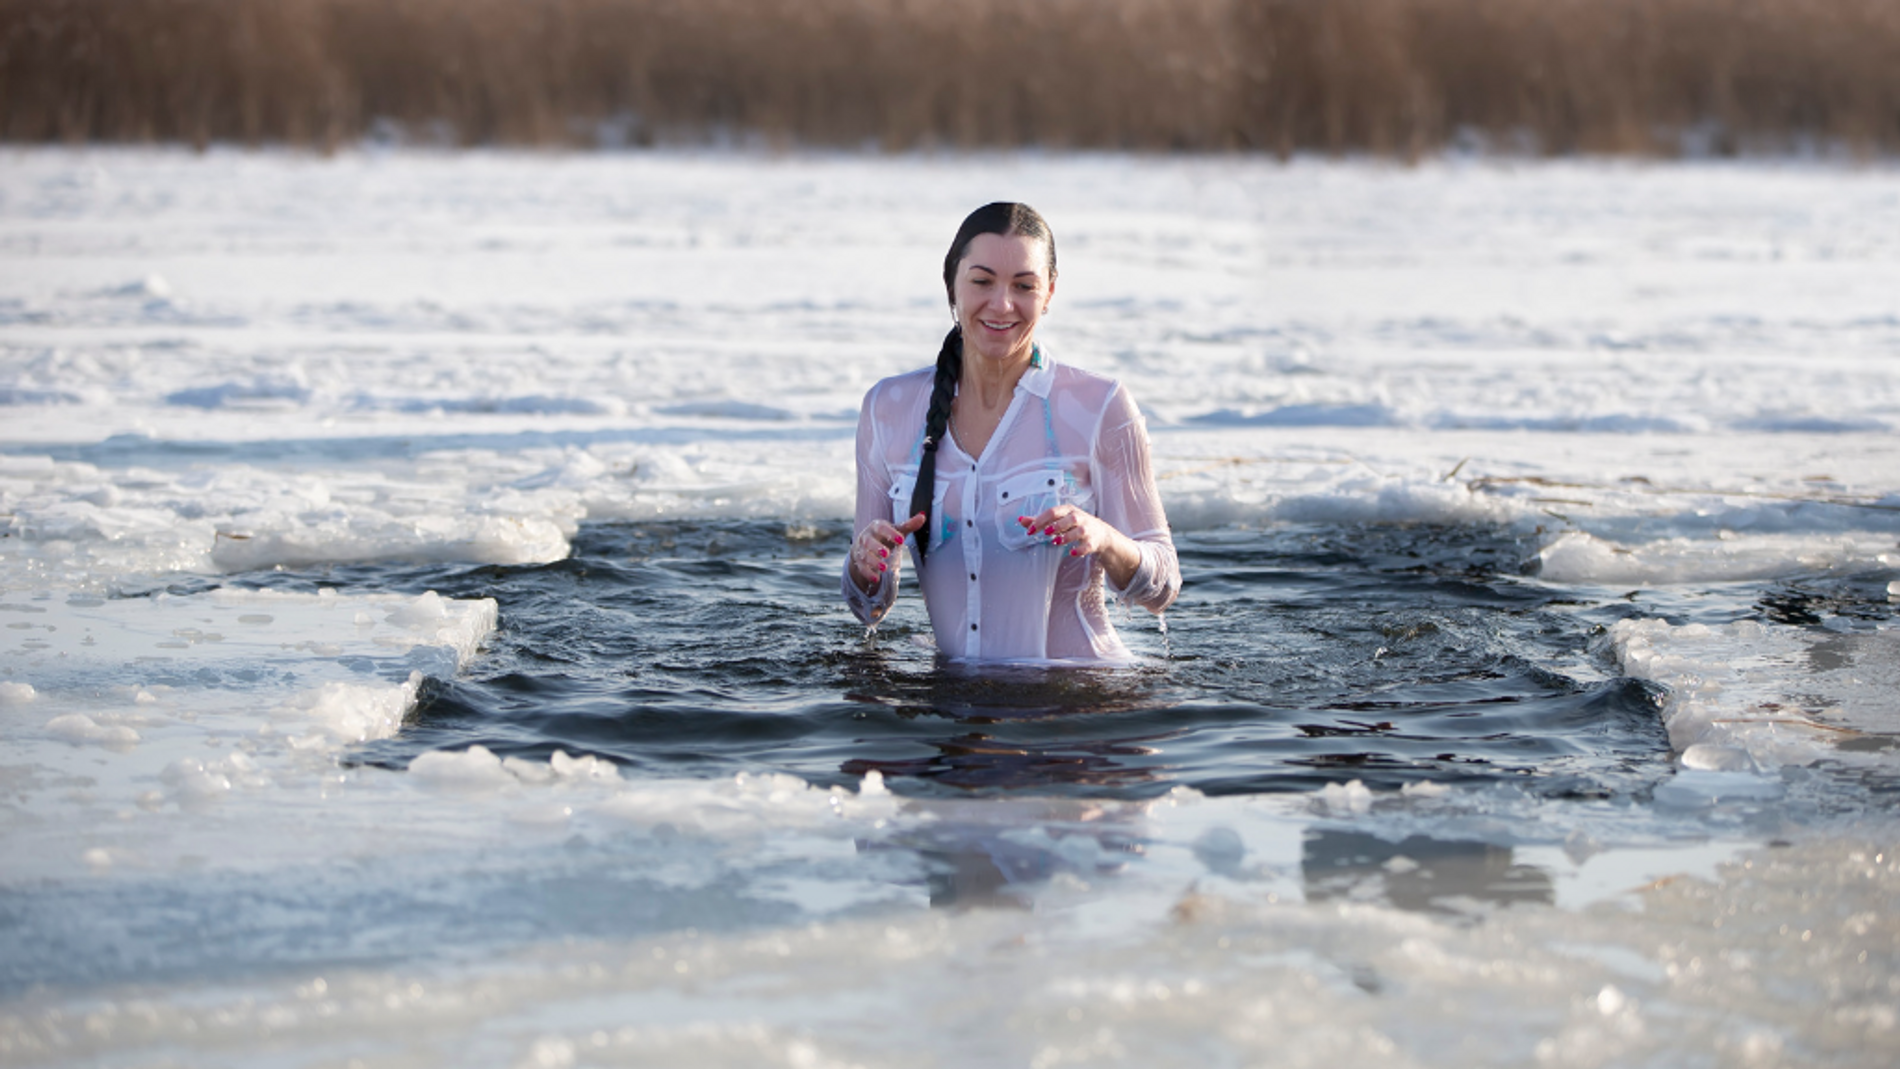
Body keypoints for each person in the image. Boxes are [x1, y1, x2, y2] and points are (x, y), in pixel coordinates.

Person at [842, 202, 1179, 662]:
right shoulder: (888, 408)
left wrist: (1104, 539)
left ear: (1049, 293)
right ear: (952, 285)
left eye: (1024, 286)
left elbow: (1163, 586)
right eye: (982, 281)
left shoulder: (1099, 405)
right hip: (955, 703)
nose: (1002, 304)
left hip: (1082, 703)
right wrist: (865, 566)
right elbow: (867, 606)